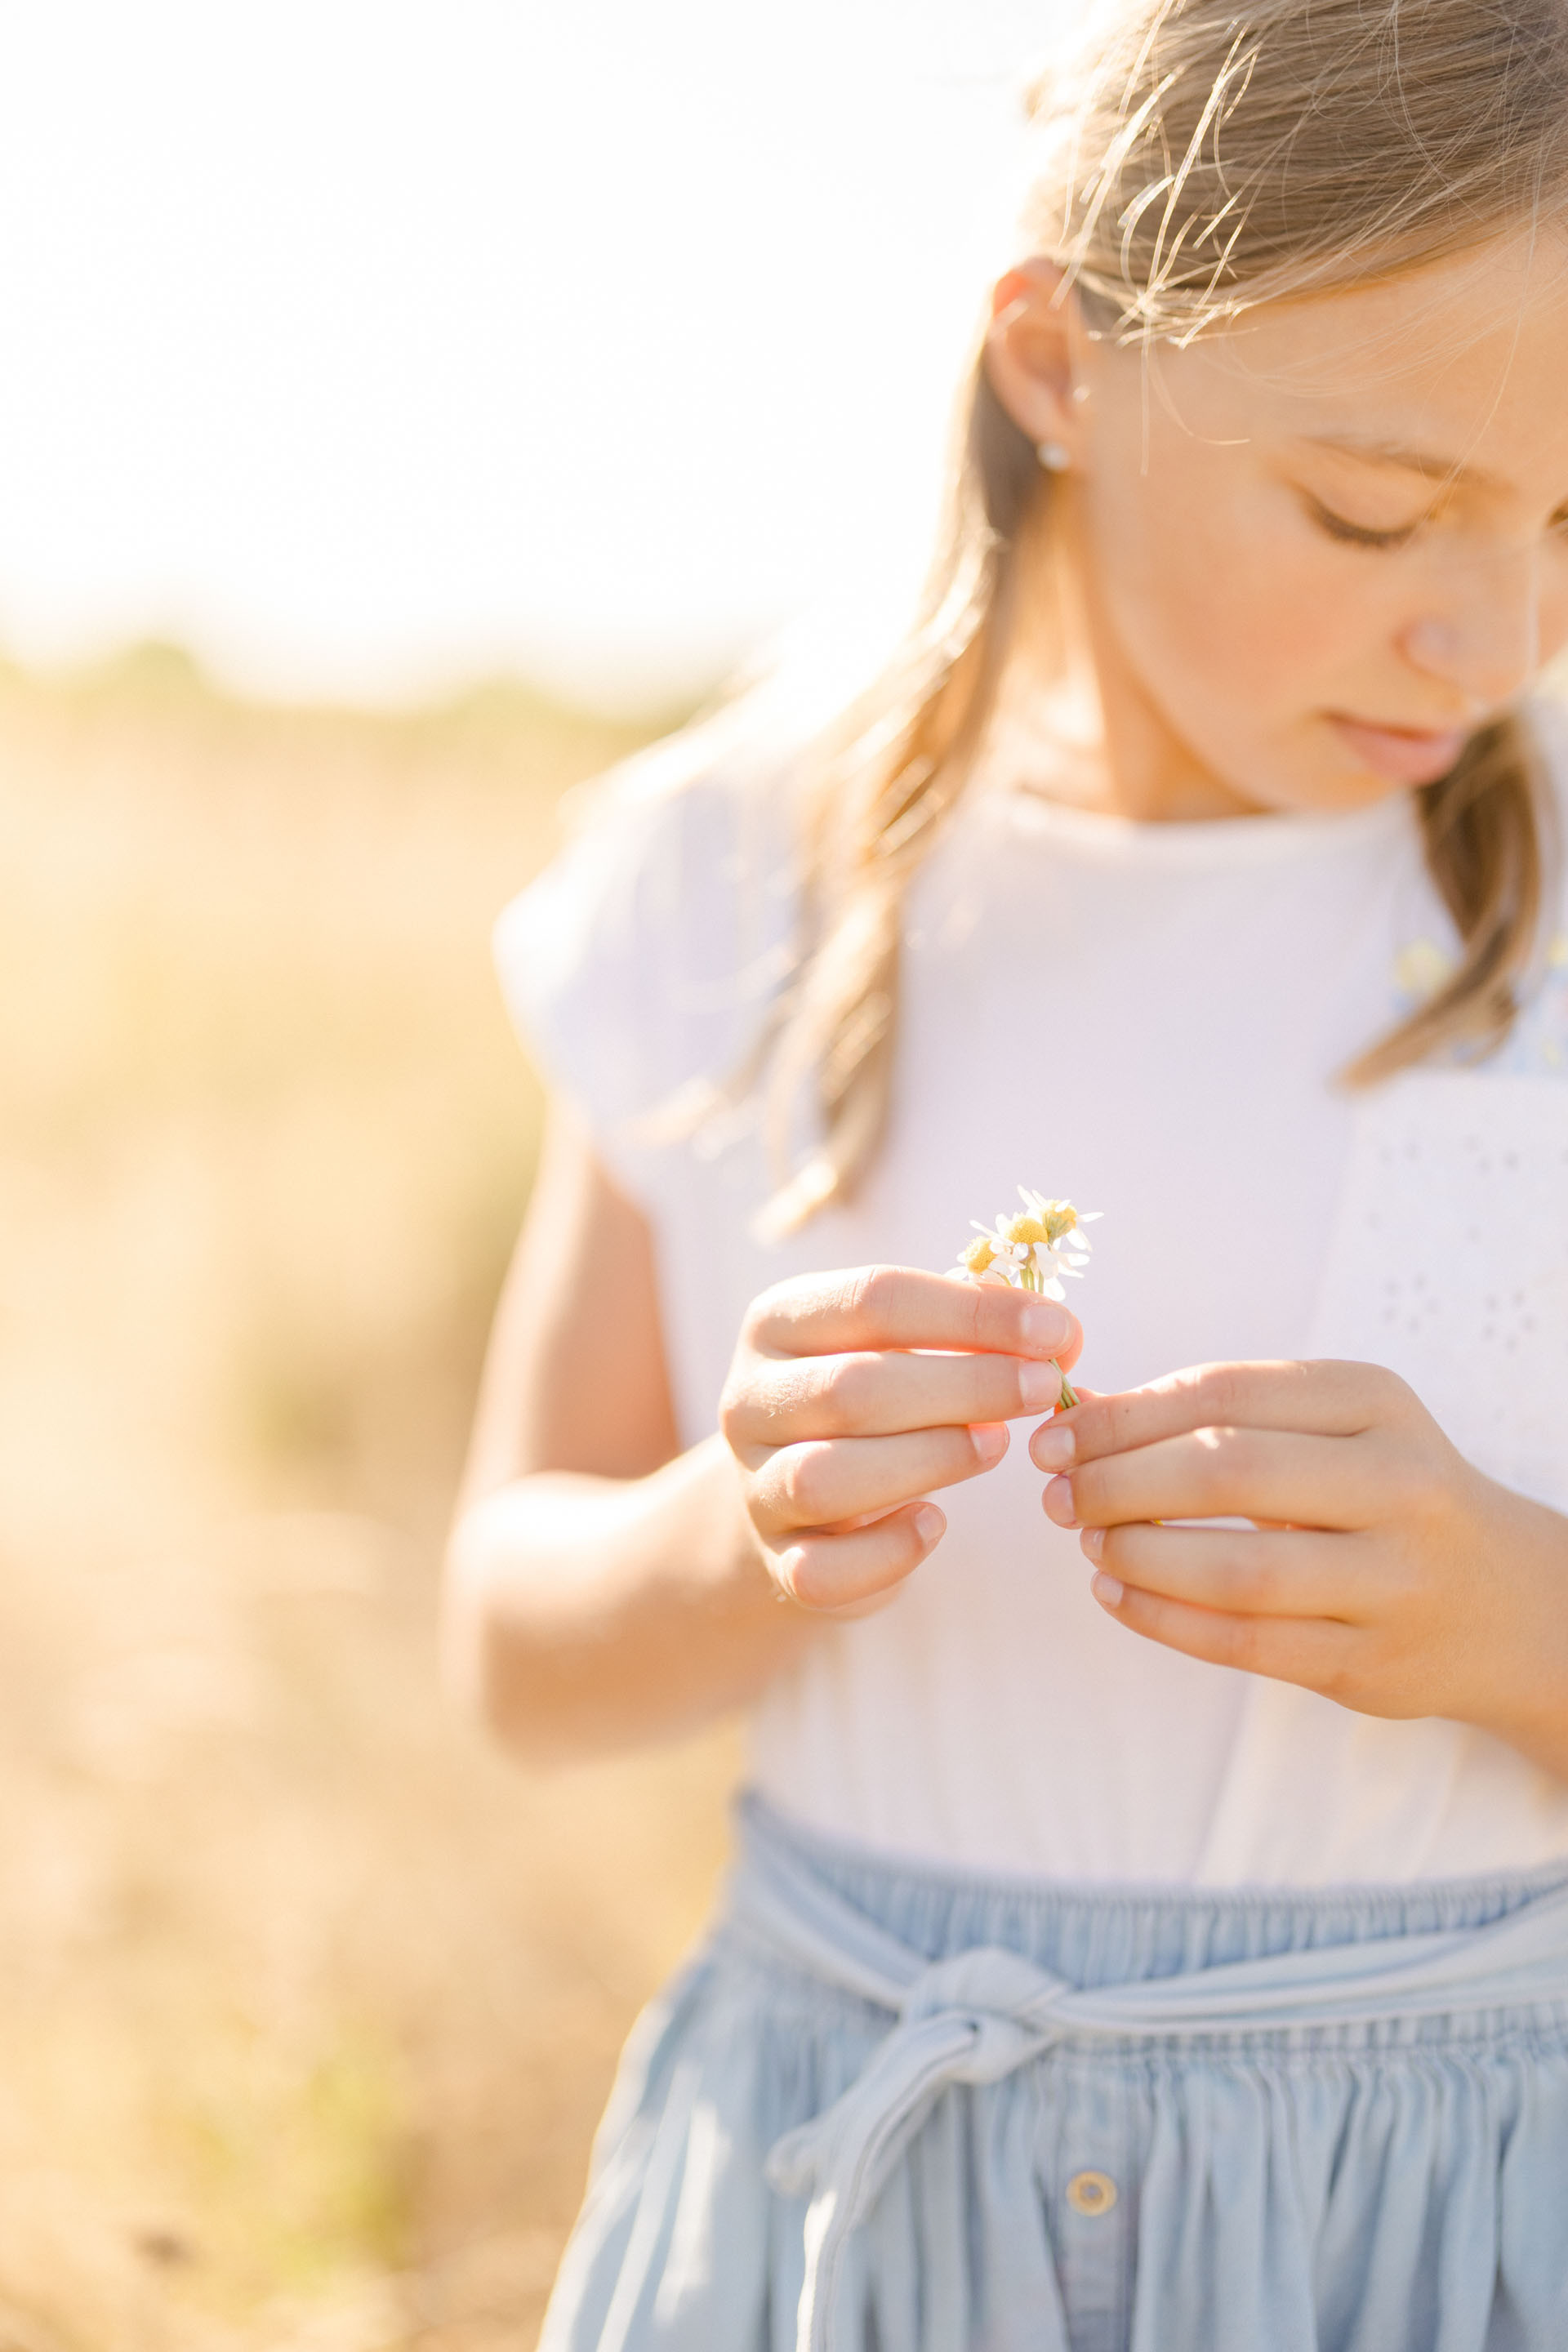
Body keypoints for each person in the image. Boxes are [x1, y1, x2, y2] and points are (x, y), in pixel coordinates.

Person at [445, 2, 1568, 2345]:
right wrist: (723, 1534)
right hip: (845, 2208)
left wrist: (1509, 1617)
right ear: (1059, 364)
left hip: (1448, 2221)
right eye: (1373, 512)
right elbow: (514, 1653)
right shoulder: (729, 881)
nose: (1493, 635)